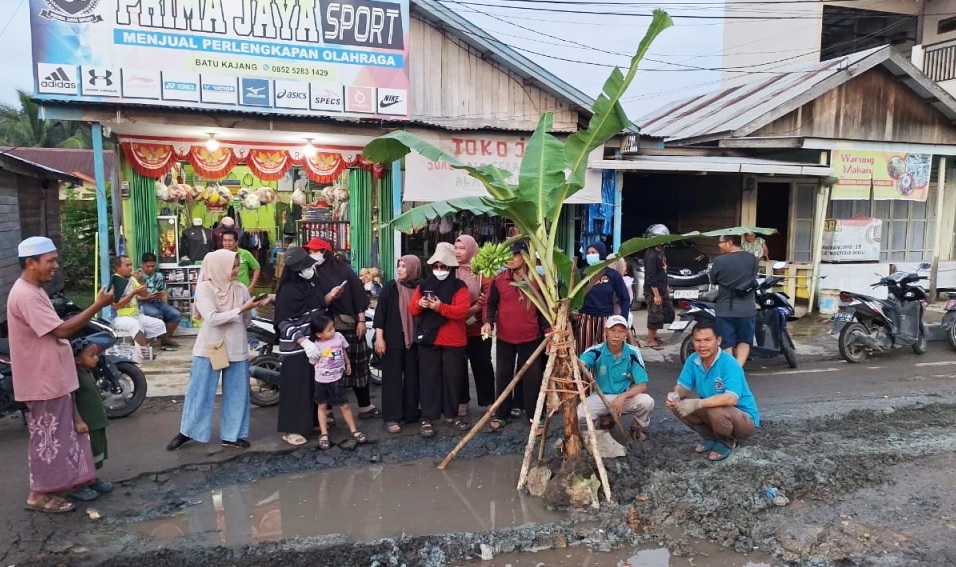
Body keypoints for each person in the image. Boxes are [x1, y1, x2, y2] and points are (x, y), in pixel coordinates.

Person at [7, 236, 114, 514]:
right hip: (42, 380)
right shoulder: (26, 294)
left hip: (55, 377)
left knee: (71, 434)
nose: (56, 266)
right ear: (31, 263)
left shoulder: (35, 289)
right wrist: (97, 306)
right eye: (50, 261)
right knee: (48, 440)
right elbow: (61, 331)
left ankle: (81, 480)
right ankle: (38, 495)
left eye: (56, 259)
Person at [166, 249, 271, 451]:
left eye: (237, 265)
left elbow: (247, 321)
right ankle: (188, 432)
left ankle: (232, 435)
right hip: (211, 346)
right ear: (219, 266)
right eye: (233, 266)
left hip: (236, 346)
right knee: (200, 391)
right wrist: (241, 309)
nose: (236, 269)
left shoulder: (241, 289)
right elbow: (212, 318)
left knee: (237, 392)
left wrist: (246, 309)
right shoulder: (205, 288)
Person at [274, 246, 342, 446]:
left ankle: (311, 423)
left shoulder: (312, 284)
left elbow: (319, 307)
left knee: (312, 386)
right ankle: (291, 429)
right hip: (297, 347)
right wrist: (302, 341)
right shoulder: (287, 292)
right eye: (305, 268)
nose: (310, 270)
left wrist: (330, 297)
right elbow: (283, 322)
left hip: (316, 344)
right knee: (296, 388)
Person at [665, 322, 760, 461]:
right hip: (716, 412)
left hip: (745, 420)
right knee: (677, 405)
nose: (702, 345)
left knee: (715, 409)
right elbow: (683, 386)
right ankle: (711, 437)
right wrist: (675, 394)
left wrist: (698, 403)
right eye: (698, 340)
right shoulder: (692, 360)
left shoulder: (729, 363)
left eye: (707, 340)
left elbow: (731, 398)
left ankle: (727, 442)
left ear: (718, 341)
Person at [310, 238, 379, 419]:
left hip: (349, 326)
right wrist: (330, 297)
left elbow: (358, 294)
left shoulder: (344, 270)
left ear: (325, 252)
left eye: (315, 251)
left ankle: (364, 405)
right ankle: (329, 411)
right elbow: (313, 302)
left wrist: (362, 321)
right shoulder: (311, 273)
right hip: (324, 330)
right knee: (328, 370)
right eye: (310, 251)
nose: (312, 254)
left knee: (358, 366)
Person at [409, 242, 472, 438]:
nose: (439, 270)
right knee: (429, 380)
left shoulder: (459, 286)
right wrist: (420, 303)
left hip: (453, 341)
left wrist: (441, 308)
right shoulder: (424, 285)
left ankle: (451, 415)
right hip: (430, 340)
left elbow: (462, 311)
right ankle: (428, 417)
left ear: (451, 267)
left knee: (452, 380)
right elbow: (412, 309)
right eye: (436, 266)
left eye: (443, 267)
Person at [483, 241, 547, 431]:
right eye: (507, 256)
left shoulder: (537, 280)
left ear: (526, 257)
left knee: (532, 379)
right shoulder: (499, 279)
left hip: (531, 337)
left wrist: (549, 333)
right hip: (504, 337)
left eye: (515, 255)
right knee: (503, 376)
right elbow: (490, 305)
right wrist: (488, 322)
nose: (510, 259)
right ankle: (501, 414)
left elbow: (544, 310)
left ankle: (534, 416)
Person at [578, 315, 655, 441]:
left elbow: (642, 385)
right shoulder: (596, 350)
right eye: (612, 330)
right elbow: (583, 361)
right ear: (605, 332)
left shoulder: (633, 353)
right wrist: (581, 363)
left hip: (624, 397)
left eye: (621, 331)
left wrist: (623, 396)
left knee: (647, 402)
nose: (616, 335)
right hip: (600, 397)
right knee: (581, 412)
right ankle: (589, 436)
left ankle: (635, 429)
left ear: (626, 334)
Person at [373, 255, 423, 435]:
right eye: (399, 266)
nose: (400, 269)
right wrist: (379, 338)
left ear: (414, 268)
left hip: (414, 341)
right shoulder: (390, 287)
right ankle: (391, 417)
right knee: (392, 379)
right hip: (392, 339)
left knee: (413, 378)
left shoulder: (421, 287)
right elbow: (381, 314)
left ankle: (410, 413)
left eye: (404, 266)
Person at [307, 313, 368, 450]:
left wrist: (347, 363)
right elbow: (313, 363)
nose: (333, 331)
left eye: (333, 328)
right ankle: (324, 433)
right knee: (322, 406)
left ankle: (353, 430)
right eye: (329, 330)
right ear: (319, 334)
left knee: (344, 405)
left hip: (337, 379)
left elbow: (343, 350)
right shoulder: (315, 347)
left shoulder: (339, 337)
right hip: (321, 380)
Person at [454, 234, 495, 416]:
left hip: (478, 327)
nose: (458, 252)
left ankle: (488, 402)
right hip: (457, 327)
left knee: (482, 365)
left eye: (462, 248)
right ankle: (461, 401)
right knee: (458, 366)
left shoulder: (482, 271)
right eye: (456, 248)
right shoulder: (451, 269)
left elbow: (489, 294)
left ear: (471, 250)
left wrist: (475, 308)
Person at [70, 338, 114, 497]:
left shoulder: (86, 372)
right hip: (86, 423)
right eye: (92, 355)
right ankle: (78, 485)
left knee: (97, 451)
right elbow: (71, 400)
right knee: (84, 454)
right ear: (76, 359)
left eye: (96, 354)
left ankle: (91, 479)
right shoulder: (74, 377)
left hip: (96, 422)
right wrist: (78, 420)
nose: (96, 358)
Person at [710, 234, 759, 366]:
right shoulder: (752, 258)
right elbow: (753, 276)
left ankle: (730, 369)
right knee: (744, 341)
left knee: (727, 343)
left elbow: (713, 280)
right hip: (747, 309)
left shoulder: (719, 261)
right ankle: (738, 368)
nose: (718, 245)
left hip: (725, 309)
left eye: (721, 242)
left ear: (730, 242)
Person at [574, 241, 631, 353]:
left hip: (606, 319)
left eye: (593, 252)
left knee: (607, 352)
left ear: (601, 254)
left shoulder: (613, 275)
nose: (590, 255)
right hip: (586, 319)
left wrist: (623, 321)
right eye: (588, 253)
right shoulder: (581, 273)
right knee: (585, 351)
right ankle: (586, 371)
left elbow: (625, 298)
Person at [110, 255, 167, 360]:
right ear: (118, 267)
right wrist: (133, 293)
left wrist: (140, 280)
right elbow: (117, 305)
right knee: (136, 325)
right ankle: (144, 350)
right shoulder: (115, 281)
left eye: (130, 265)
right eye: (127, 265)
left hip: (135, 315)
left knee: (159, 325)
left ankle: (141, 348)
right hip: (119, 317)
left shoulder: (131, 279)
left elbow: (144, 294)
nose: (130, 268)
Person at [136, 252, 180, 348]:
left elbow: (164, 292)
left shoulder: (158, 276)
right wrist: (146, 297)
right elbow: (133, 296)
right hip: (142, 303)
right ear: (142, 264)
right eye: (148, 266)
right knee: (155, 314)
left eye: (153, 266)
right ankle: (147, 340)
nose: (151, 269)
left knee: (175, 314)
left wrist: (165, 304)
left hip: (157, 301)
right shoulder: (136, 276)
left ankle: (166, 338)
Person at [643, 224, 674, 349]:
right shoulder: (651, 254)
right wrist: (656, 294)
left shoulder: (661, 251)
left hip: (662, 288)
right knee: (654, 315)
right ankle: (650, 340)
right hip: (653, 290)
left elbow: (662, 271)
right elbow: (651, 277)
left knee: (666, 312)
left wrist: (665, 287)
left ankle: (654, 336)